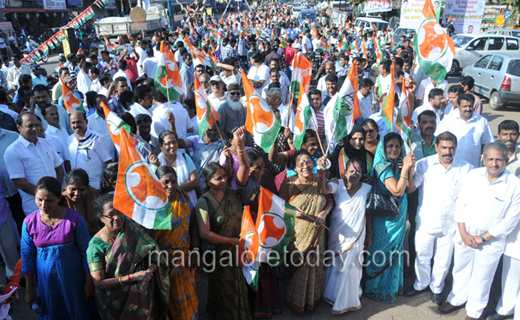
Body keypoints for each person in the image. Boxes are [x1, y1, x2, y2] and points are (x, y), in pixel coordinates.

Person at [439, 142, 520, 320]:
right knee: (460, 269)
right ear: (483, 159)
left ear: (506, 160)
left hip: (491, 241)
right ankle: (457, 298)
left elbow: (510, 220)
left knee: (482, 278)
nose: (494, 163)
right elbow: (460, 203)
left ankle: (475, 312)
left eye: (499, 159)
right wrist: (463, 233)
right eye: (490, 159)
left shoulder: (515, 185)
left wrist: (482, 238)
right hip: (465, 235)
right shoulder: (473, 175)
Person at [403, 132, 473, 305]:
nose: (447, 151)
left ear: (456, 148)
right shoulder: (424, 164)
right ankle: (421, 284)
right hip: (426, 220)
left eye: (451, 148)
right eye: (444, 147)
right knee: (422, 255)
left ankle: (437, 288)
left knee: (443, 259)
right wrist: (409, 168)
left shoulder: (466, 168)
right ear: (436, 147)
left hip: (450, 224)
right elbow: (411, 189)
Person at [87, 193, 169, 319]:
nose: (117, 218)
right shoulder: (95, 245)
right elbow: (99, 283)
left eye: (119, 212)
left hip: (139, 293)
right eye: (111, 214)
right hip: (113, 301)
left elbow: (152, 252)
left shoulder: (131, 229)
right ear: (101, 217)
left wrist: (148, 271)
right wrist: (133, 277)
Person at [21, 177, 93, 319]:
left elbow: (87, 253)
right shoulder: (29, 223)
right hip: (47, 285)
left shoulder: (75, 219)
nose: (43, 205)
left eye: (49, 201)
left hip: (75, 283)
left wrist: (89, 282)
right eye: (39, 199)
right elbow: (27, 258)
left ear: (59, 197)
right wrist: (29, 290)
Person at [278, 149, 333, 315]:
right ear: (294, 167)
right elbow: (280, 207)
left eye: (308, 162)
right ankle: (296, 302)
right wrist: (297, 214)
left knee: (316, 266)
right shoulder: (289, 183)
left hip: (318, 232)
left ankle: (312, 300)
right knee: (299, 267)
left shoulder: (320, 180)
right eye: (300, 163)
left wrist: (324, 213)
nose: (305, 166)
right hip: (298, 234)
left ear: (313, 163)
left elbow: (330, 201)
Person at [363, 132, 416, 303]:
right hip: (383, 221)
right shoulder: (381, 166)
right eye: (390, 146)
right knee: (380, 253)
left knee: (395, 253)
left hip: (398, 219)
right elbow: (397, 190)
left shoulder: (398, 164)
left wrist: (410, 169)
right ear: (383, 149)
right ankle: (374, 289)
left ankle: (391, 287)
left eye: (397, 146)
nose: (394, 149)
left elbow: (410, 189)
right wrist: (405, 169)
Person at [195, 162, 252, 320]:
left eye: (225, 176)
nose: (224, 180)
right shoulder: (203, 202)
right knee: (223, 289)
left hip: (237, 250)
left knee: (238, 285)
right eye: (218, 178)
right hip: (218, 255)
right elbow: (205, 233)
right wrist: (232, 241)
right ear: (208, 181)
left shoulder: (232, 194)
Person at [319, 159, 372, 314]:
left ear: (362, 174)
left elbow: (369, 214)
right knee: (335, 265)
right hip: (338, 235)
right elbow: (323, 189)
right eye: (351, 170)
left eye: (358, 171)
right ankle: (332, 295)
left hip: (357, 236)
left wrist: (370, 234)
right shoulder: (338, 185)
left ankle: (349, 299)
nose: (354, 174)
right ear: (345, 172)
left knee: (353, 267)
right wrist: (321, 173)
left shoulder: (368, 189)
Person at [155, 165, 199, 320]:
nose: (170, 186)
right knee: (169, 303)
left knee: (188, 297)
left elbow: (193, 224)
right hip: (164, 263)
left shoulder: (184, 198)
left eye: (174, 181)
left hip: (186, 258)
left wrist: (195, 249)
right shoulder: (152, 204)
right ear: (157, 182)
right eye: (166, 182)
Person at [4, 112, 64, 216]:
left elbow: (59, 169)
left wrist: (55, 192)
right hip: (34, 207)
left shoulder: (47, 143)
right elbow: (20, 183)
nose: (35, 128)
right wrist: (45, 197)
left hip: (56, 202)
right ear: (19, 127)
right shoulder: (12, 151)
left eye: (37, 125)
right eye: (30, 126)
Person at [435, 94, 494, 167]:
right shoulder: (448, 120)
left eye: (470, 106)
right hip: (452, 167)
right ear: (458, 106)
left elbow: (488, 144)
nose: (468, 109)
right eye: (465, 106)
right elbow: (437, 140)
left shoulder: (482, 121)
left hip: (473, 167)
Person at [149, 130, 199, 207]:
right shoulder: (155, 163)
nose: (172, 145)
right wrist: (157, 166)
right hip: (166, 207)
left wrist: (174, 189)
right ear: (161, 146)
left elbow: (195, 182)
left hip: (187, 205)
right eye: (168, 143)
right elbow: (154, 187)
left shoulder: (185, 158)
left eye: (174, 142)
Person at [68, 111, 113, 190]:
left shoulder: (97, 138)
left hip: (94, 187)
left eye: (79, 122)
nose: (76, 125)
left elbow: (108, 164)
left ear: (86, 121)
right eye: (73, 123)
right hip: (76, 190)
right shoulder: (69, 140)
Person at [62, 169, 100, 237]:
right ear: (66, 187)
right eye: (73, 189)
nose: (77, 194)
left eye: (81, 190)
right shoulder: (61, 201)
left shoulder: (93, 195)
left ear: (87, 188)